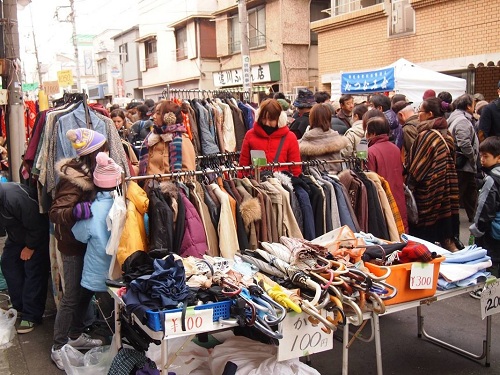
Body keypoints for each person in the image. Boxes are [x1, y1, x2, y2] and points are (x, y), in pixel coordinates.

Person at [49, 128, 105, 370]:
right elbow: (55, 212)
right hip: (72, 245)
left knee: (84, 292)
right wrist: (74, 212)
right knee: (71, 296)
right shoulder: (74, 178)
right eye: (103, 149)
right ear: (94, 153)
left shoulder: (95, 172)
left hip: (87, 241)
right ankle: (57, 346)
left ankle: (75, 334)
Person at [405, 97, 460, 251]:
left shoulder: (426, 135)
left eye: (420, 111)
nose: (417, 114)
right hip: (447, 188)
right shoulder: (446, 132)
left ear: (429, 114)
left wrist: (410, 187)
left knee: (425, 240)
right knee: (445, 235)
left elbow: (417, 168)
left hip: (430, 191)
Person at [0, 182, 50, 334]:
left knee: (33, 271)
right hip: (16, 236)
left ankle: (32, 315)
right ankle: (19, 305)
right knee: (8, 263)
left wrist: (30, 247)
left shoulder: (14, 198)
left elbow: (38, 224)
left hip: (36, 236)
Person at [72, 153, 123, 296]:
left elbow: (79, 235)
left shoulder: (91, 210)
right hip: (126, 271)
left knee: (106, 313)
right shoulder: (129, 204)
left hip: (99, 274)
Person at [364, 116, 408, 233]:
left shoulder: (370, 152)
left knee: (388, 230)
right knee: (400, 230)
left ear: (372, 133)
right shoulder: (395, 148)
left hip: (382, 197)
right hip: (398, 194)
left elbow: (368, 177)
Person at [469, 136, 500, 295]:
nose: (482, 159)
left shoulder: (491, 180)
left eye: (486, 156)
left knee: (490, 259)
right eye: (481, 155)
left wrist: (477, 228)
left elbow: (485, 207)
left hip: (492, 228)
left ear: (498, 157)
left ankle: (488, 292)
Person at [239, 98, 301, 176]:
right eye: (264, 118)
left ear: (279, 119)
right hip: (257, 183)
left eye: (271, 120)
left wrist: (296, 183)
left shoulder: (290, 137)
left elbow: (295, 168)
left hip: (282, 184)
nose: (267, 123)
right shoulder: (250, 135)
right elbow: (243, 166)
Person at [447, 94, 479, 223]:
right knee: (459, 192)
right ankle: (451, 221)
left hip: (463, 164)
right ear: (468, 106)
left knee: (470, 191)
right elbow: (464, 143)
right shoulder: (462, 120)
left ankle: (475, 217)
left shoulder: (456, 117)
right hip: (463, 164)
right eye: (473, 104)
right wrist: (472, 157)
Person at [147, 100, 196, 175]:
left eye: (158, 113)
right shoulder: (152, 138)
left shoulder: (182, 139)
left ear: (169, 117)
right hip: (149, 185)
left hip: (170, 185)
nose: (154, 116)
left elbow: (188, 173)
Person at [298, 103, 348, 173]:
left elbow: (303, 161)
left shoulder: (308, 136)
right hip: (336, 175)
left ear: (312, 118)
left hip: (315, 177)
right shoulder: (335, 136)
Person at [110, 109, 139, 175]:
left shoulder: (128, 132)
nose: (116, 124)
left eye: (119, 121)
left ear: (123, 121)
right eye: (114, 121)